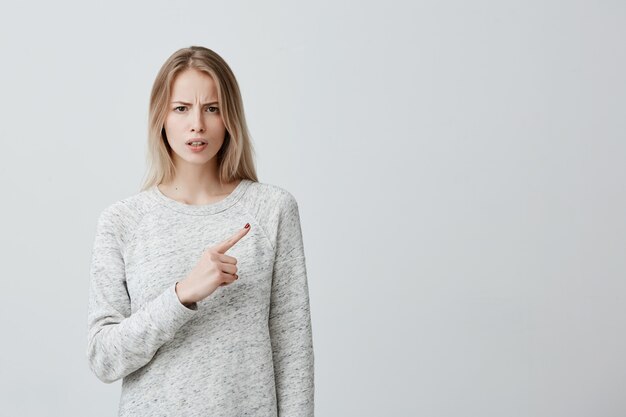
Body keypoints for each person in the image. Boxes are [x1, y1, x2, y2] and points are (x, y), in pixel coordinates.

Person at [86, 46, 314, 417]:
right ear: (161, 117)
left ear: (230, 118)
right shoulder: (123, 221)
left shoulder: (272, 210)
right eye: (181, 108)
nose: (198, 125)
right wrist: (181, 296)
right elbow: (104, 358)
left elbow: (293, 352)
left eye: (212, 108)